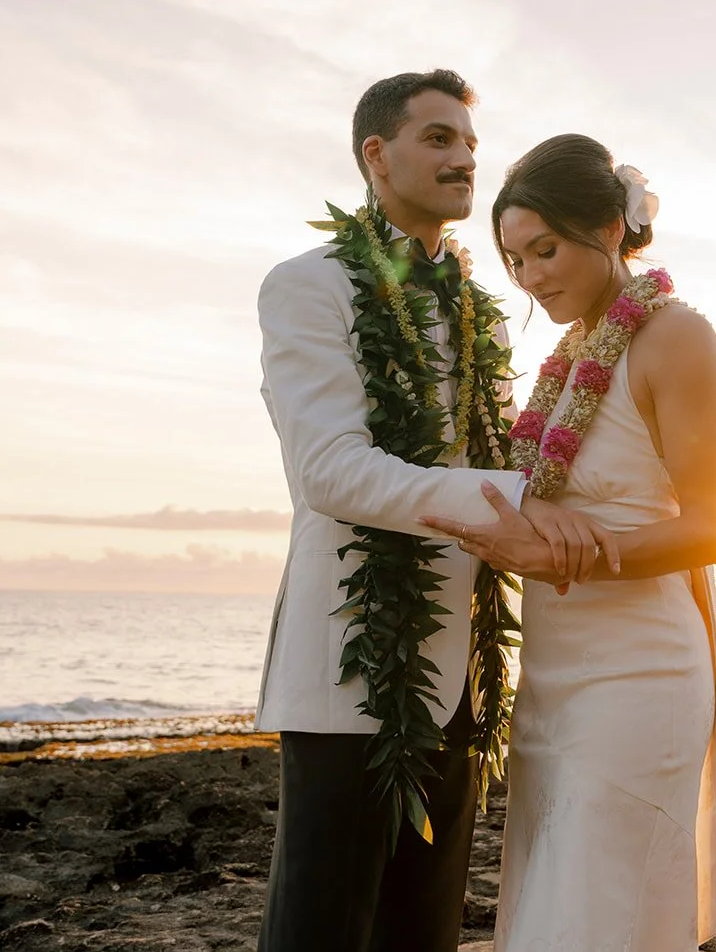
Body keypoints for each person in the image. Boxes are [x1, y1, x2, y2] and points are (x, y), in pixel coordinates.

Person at [254, 73, 613, 952]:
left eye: (469, 144)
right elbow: (330, 470)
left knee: (424, 934)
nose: (465, 159)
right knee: (322, 929)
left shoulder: (478, 312)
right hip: (354, 662)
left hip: (465, 671)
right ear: (377, 155)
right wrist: (512, 503)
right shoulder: (309, 285)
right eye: (439, 139)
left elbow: (498, 455)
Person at [421, 134, 716, 951]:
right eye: (514, 260)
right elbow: (536, 493)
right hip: (553, 679)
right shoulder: (572, 351)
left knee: (602, 913)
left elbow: (714, 528)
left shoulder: (676, 337)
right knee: (553, 904)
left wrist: (569, 554)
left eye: (545, 249)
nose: (532, 276)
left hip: (639, 673)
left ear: (611, 230)